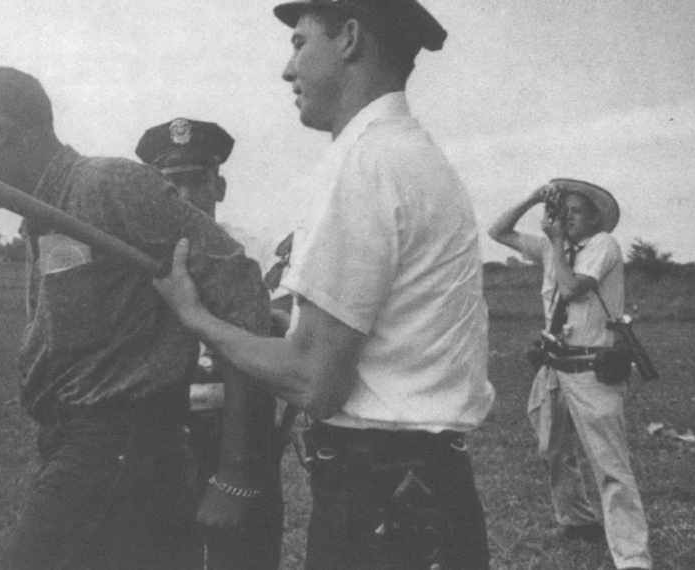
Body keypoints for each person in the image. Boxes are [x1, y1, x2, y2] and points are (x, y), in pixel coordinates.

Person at [153, 1, 495, 568]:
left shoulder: (361, 163)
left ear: (350, 39)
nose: (288, 70)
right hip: (426, 482)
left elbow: (314, 382)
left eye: (299, 43)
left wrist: (197, 318)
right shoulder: (412, 153)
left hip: (380, 495)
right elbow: (370, 330)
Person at [0, 67, 274, 570]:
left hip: (113, 449)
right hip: (89, 450)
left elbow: (243, 292)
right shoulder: (42, 214)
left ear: (0, 126)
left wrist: (235, 469)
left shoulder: (106, 185)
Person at [136, 118, 284, 570]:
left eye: (195, 181)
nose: (182, 197)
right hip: (163, 425)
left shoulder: (257, 249)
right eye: (169, 184)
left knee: (243, 558)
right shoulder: (137, 252)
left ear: (218, 186)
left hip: (238, 424)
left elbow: (285, 328)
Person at [488, 179, 652, 570]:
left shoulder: (602, 247)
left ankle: (632, 558)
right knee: (551, 448)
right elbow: (498, 232)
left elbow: (574, 288)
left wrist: (556, 245)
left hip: (593, 368)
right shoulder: (552, 247)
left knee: (611, 465)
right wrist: (531, 199)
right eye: (563, 211)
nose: (567, 219)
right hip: (554, 366)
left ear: (595, 219)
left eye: (577, 212)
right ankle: (577, 519)